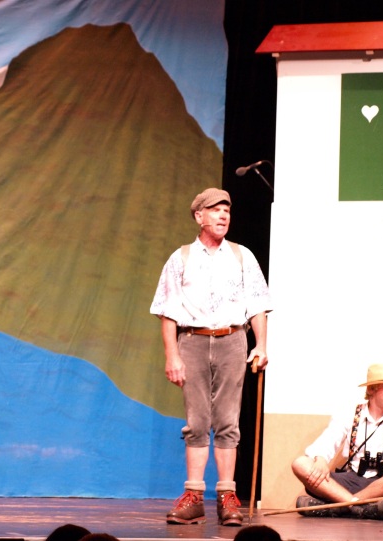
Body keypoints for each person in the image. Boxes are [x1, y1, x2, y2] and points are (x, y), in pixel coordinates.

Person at [150, 187, 272, 526]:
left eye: (227, 211)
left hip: (232, 340)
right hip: (193, 340)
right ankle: (193, 495)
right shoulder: (181, 258)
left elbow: (258, 304)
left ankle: (227, 496)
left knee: (228, 420)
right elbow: (167, 311)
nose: (223, 216)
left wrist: (261, 345)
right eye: (215, 210)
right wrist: (172, 355)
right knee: (197, 421)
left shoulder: (242, 256)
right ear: (199, 216)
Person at [291, 363, 383, 520]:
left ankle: (338, 507)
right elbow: (328, 439)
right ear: (371, 389)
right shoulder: (349, 413)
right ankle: (357, 507)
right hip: (351, 482)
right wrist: (321, 459)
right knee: (300, 464)